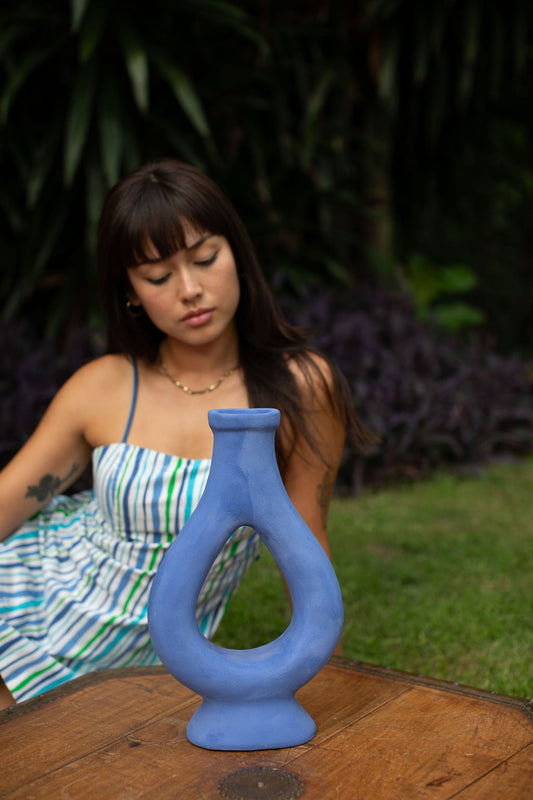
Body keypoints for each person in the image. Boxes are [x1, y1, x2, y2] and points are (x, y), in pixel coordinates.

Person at [0, 159, 372, 709]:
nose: (191, 289)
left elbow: (306, 548)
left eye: (205, 259)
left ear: (237, 256)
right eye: (157, 276)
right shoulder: (102, 386)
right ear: (130, 292)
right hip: (28, 603)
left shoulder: (299, 389)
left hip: (149, 667)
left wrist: (332, 690)